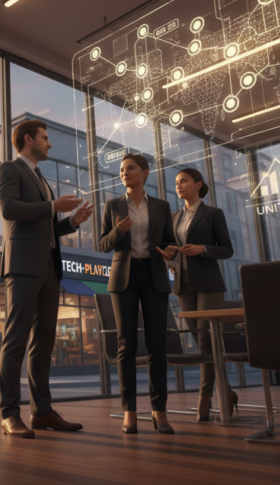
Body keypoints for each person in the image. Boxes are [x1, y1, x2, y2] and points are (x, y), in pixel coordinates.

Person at [0, 119, 93, 438]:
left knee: (44, 342)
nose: (49, 143)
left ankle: (42, 412)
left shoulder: (41, 178)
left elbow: (45, 225)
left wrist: (71, 222)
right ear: (28, 139)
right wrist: (52, 205)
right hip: (22, 265)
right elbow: (10, 209)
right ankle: (10, 414)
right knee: (16, 341)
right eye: (45, 138)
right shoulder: (9, 169)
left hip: (50, 267)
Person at [99, 153, 175, 435]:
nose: (124, 172)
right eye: (121, 169)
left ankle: (160, 411)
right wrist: (118, 232)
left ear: (145, 173)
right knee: (126, 345)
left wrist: (171, 250)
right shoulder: (113, 205)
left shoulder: (161, 206)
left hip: (154, 274)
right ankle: (129, 411)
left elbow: (170, 241)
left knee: (157, 345)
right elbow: (103, 244)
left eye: (130, 168)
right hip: (124, 278)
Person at [156, 168, 236, 422]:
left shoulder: (213, 214)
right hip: (183, 285)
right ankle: (227, 393)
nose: (178, 185)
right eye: (177, 182)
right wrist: (169, 257)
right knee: (201, 342)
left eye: (184, 181)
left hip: (209, 283)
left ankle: (205, 397)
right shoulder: (173, 216)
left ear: (198, 184)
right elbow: (169, 249)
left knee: (206, 341)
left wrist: (202, 248)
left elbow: (226, 250)